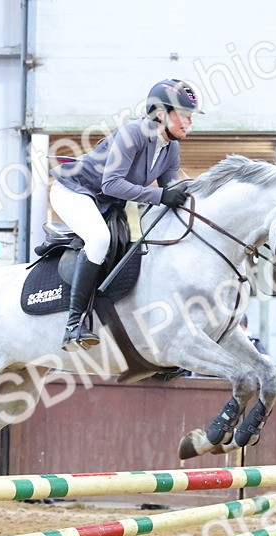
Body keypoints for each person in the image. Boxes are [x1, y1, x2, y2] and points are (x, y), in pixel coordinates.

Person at [49, 78, 202, 351]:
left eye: (190, 116)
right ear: (160, 113)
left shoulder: (171, 148)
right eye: (183, 115)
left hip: (108, 203)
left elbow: (171, 191)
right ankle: (73, 326)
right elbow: (111, 183)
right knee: (98, 239)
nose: (188, 122)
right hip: (74, 190)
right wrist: (160, 195)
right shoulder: (133, 133)